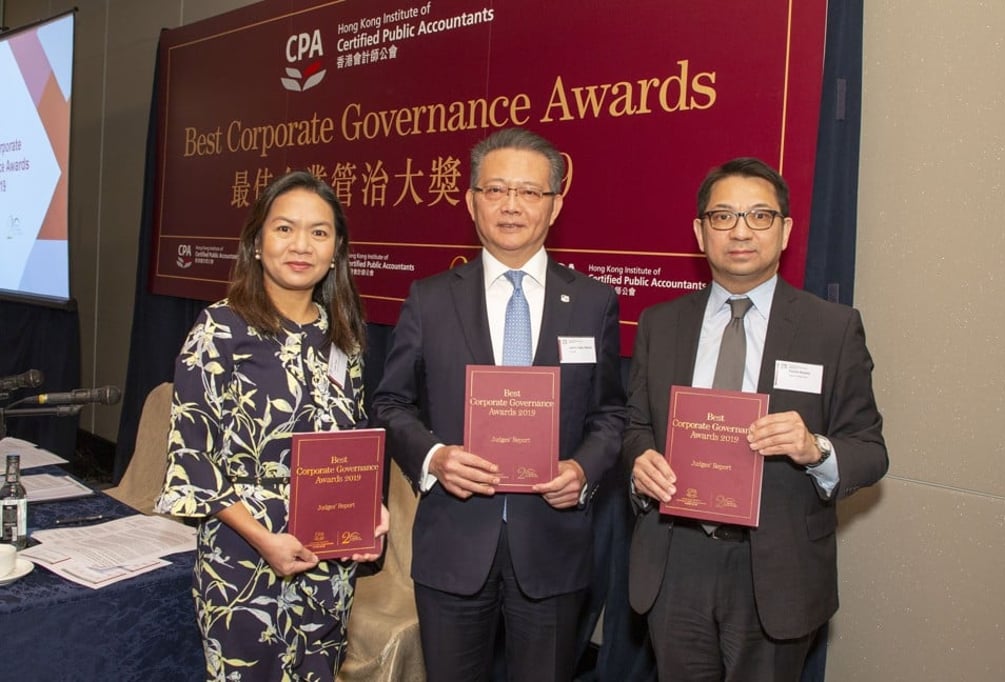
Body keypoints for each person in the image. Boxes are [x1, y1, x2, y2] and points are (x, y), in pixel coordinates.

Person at [371, 127, 627, 681]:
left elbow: (610, 414)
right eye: (495, 190)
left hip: (552, 547)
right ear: (470, 201)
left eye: (530, 192)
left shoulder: (591, 302)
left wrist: (583, 469)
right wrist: (435, 458)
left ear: (555, 206)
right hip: (453, 545)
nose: (511, 205)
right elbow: (390, 403)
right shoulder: (430, 298)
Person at [626, 157, 888, 681]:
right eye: (722, 217)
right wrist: (638, 462)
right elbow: (636, 423)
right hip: (676, 561)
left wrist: (816, 448)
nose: (740, 231)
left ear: (786, 230)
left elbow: (870, 449)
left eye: (759, 216)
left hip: (775, 568)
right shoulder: (661, 323)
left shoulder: (831, 328)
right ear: (700, 232)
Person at [158, 170, 389, 681]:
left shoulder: (343, 336)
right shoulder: (220, 329)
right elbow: (192, 457)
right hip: (243, 558)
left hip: (328, 560)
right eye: (285, 229)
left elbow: (349, 443)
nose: (301, 245)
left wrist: (370, 508)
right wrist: (264, 539)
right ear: (257, 242)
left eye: (319, 232)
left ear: (337, 250)